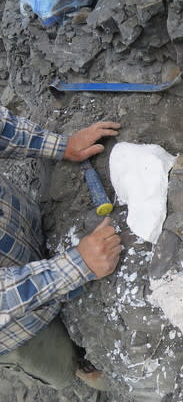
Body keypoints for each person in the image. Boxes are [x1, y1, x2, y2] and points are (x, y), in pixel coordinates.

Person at [0, 107, 122, 391]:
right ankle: (80, 365)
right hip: (19, 326)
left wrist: (61, 146)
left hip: (20, 228)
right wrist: (78, 265)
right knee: (54, 356)